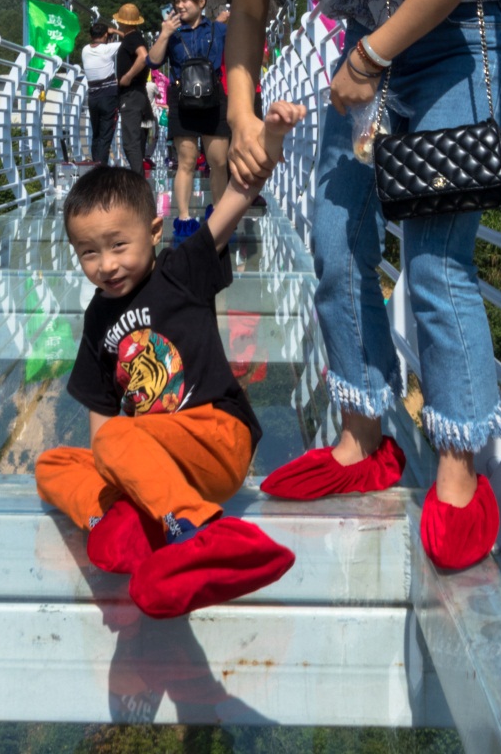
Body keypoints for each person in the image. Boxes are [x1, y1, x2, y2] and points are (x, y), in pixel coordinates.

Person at [188, 0, 501, 570]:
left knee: (436, 260)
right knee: (335, 243)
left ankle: (457, 463)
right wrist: (239, 114)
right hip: (365, 55)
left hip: (452, 38)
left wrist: (369, 58)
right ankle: (362, 436)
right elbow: (250, 11)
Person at [34, 100, 306, 619]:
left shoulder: (182, 271)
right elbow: (100, 420)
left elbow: (240, 193)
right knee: (53, 464)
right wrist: (116, 479)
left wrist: (269, 136)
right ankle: (130, 526)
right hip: (156, 464)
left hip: (214, 436)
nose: (106, 265)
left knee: (113, 438)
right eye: (89, 253)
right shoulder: (97, 323)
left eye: (118, 245)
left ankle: (204, 533)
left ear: (154, 233)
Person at [148, 0, 229, 240]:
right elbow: (154, 61)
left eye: (185, 0)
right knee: (186, 162)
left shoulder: (219, 30)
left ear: (201, 2)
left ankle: (219, 214)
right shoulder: (172, 32)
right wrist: (164, 33)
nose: (179, 5)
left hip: (213, 100)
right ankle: (183, 219)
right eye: (177, 1)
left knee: (218, 161)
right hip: (182, 101)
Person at [112, 4, 151, 174]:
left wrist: (127, 76)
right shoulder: (134, 36)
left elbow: (143, 56)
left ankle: (138, 184)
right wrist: (116, 32)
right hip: (138, 95)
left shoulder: (132, 39)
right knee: (135, 141)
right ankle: (139, 182)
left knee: (130, 143)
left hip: (131, 95)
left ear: (122, 21)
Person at [81, 21, 122, 163]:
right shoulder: (108, 49)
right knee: (106, 136)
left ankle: (95, 166)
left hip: (93, 97)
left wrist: (107, 33)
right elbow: (131, 41)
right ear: (105, 35)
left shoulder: (85, 49)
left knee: (96, 135)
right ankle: (100, 169)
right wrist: (116, 32)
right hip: (108, 97)